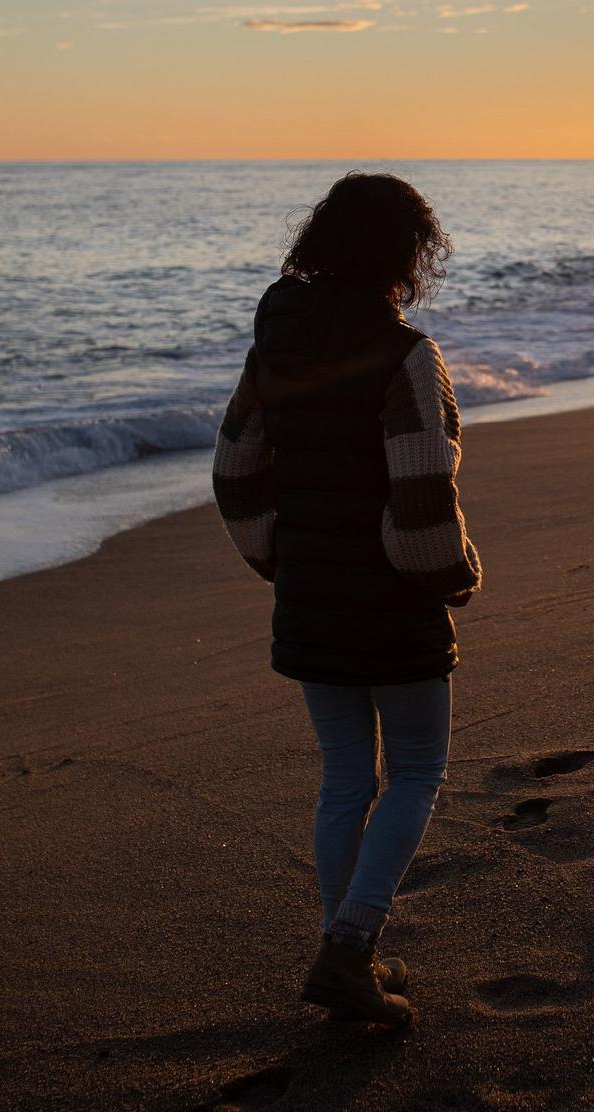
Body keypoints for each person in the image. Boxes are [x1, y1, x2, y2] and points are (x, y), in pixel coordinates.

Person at [210, 173, 481, 1029]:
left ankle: (342, 948)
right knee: (415, 771)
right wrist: (454, 575)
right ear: (405, 254)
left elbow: (232, 470)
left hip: (311, 597)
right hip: (391, 603)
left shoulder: (274, 348)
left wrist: (276, 560)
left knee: (341, 779)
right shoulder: (406, 355)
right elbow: (423, 494)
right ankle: (351, 945)